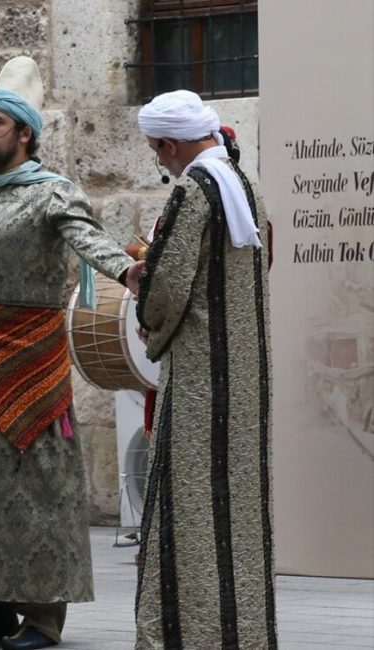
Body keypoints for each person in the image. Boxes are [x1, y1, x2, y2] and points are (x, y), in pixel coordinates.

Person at [0, 56, 139, 650]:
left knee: (36, 490)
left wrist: (128, 270)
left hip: (27, 365)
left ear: (25, 133)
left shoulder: (52, 193)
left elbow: (88, 236)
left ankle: (42, 618)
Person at [133, 90, 275, 650]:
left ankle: (191, 636)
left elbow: (166, 284)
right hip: (249, 378)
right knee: (240, 510)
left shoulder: (193, 191)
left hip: (198, 379)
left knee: (187, 509)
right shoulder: (250, 185)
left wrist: (150, 326)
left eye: (157, 151)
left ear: (170, 143)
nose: (161, 161)